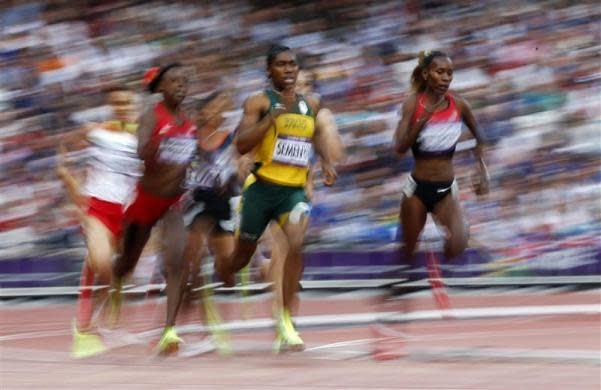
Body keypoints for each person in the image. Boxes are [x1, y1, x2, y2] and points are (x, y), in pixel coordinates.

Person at [216, 45, 338, 352]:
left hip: (292, 192)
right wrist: (270, 120)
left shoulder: (310, 103)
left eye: (292, 65)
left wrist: (325, 162)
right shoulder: (258, 102)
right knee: (239, 259)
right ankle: (223, 265)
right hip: (261, 189)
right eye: (281, 65)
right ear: (269, 70)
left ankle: (285, 320)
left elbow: (314, 136)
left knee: (296, 243)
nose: (288, 70)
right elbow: (241, 144)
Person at [111, 63, 198, 354]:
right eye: (174, 81)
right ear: (161, 87)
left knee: (177, 258)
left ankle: (169, 330)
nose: (181, 86)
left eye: (185, 81)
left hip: (172, 202)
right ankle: (113, 281)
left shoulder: (189, 123)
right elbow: (140, 149)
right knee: (126, 264)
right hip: (145, 201)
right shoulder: (152, 115)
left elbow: (191, 162)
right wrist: (153, 146)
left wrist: (192, 170)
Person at [56, 85, 141, 358]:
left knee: (114, 271)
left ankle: (90, 322)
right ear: (111, 105)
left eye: (127, 103)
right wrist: (65, 168)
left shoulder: (142, 137)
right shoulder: (97, 131)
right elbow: (66, 144)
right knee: (103, 265)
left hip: (126, 214)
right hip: (98, 209)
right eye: (117, 103)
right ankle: (84, 325)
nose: (122, 107)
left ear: (133, 106)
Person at [393, 49, 489, 261]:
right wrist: (419, 124)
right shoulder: (412, 104)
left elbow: (480, 138)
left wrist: (482, 170)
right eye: (440, 72)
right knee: (407, 252)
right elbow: (399, 149)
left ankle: (436, 256)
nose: (446, 78)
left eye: (450, 73)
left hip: (445, 189)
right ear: (426, 74)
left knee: (457, 246)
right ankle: (404, 281)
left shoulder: (460, 105)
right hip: (417, 189)